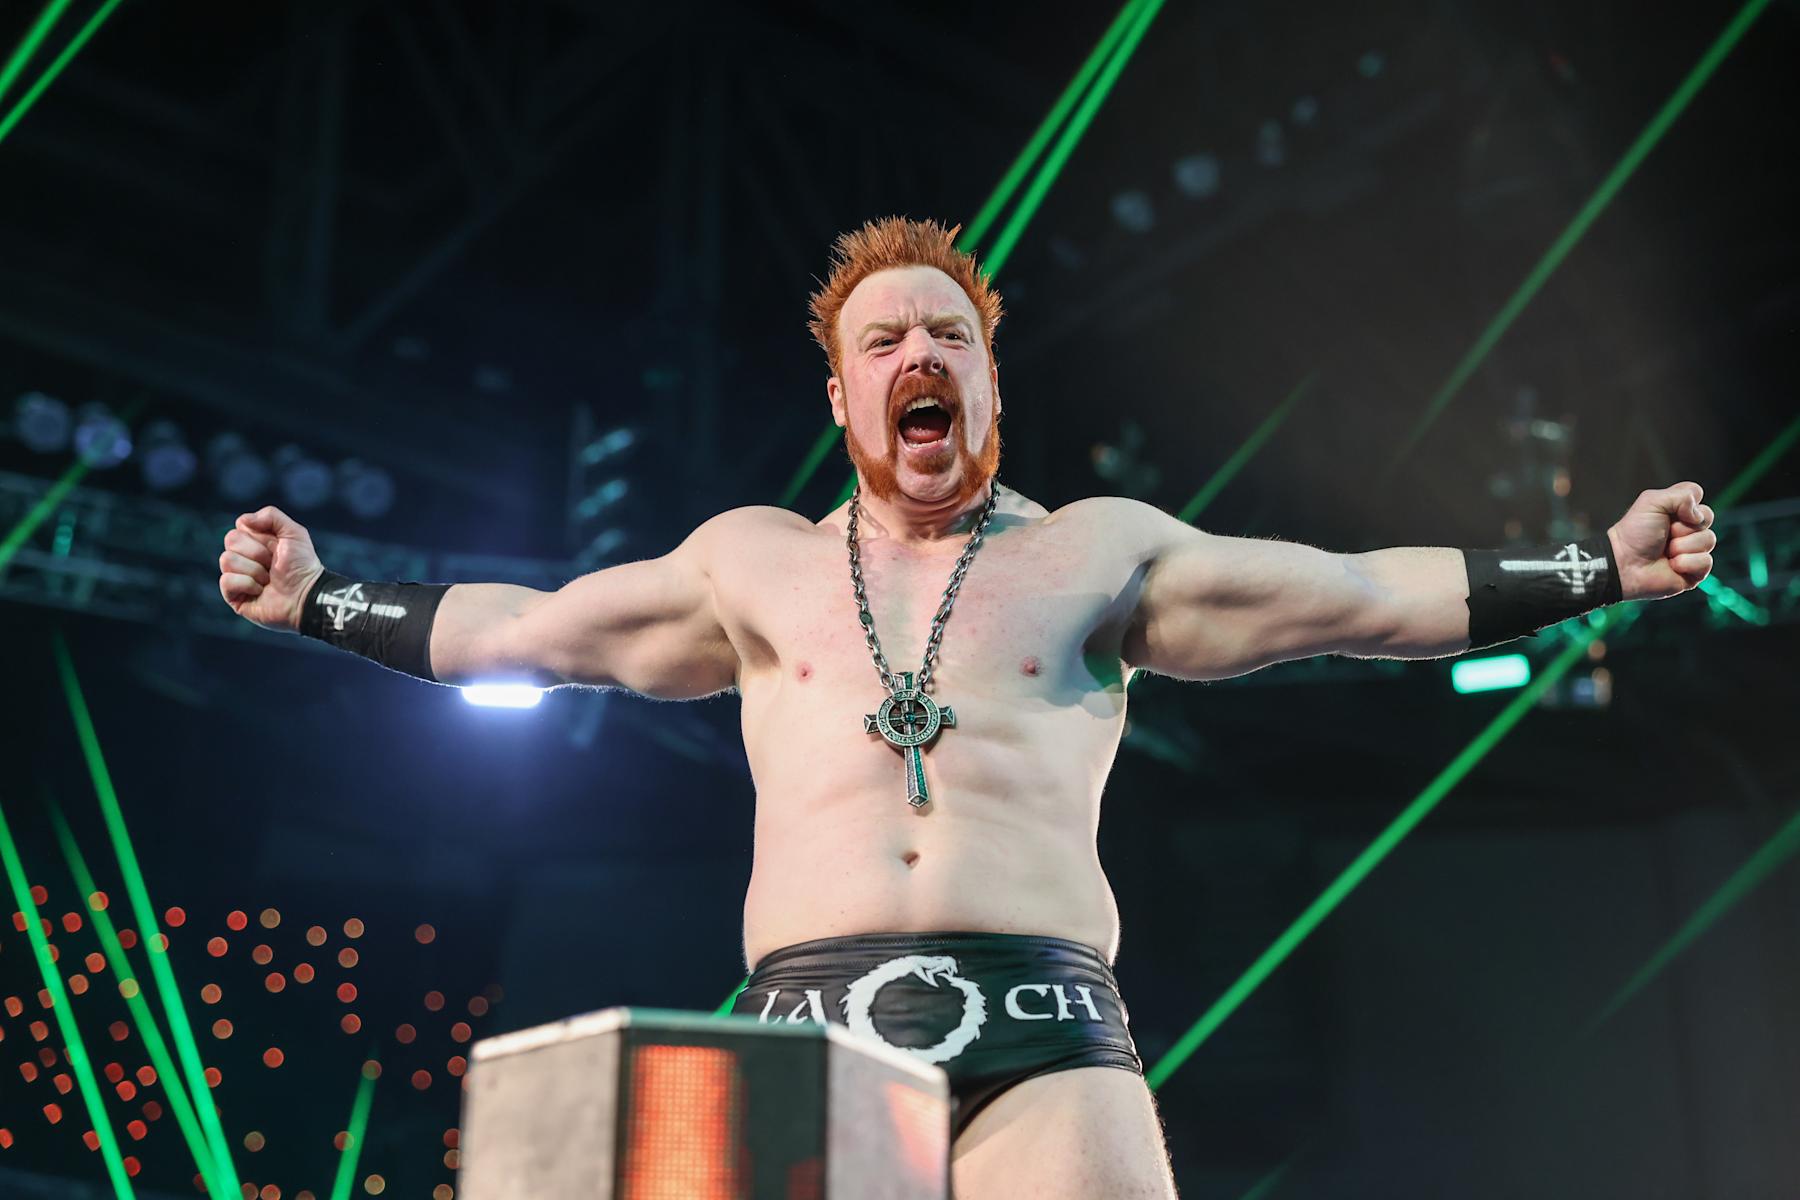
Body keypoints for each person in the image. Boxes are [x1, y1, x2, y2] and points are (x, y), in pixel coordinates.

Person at [218, 217, 1717, 1199]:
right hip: (810, 1025)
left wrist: (1596, 563)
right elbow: (527, 633)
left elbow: (1360, 597)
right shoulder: (751, 562)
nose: (919, 356)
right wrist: (321, 600)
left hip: (1047, 1031)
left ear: (992, 382)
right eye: (883, 343)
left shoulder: (1100, 553)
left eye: (948, 336)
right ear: (842, 400)